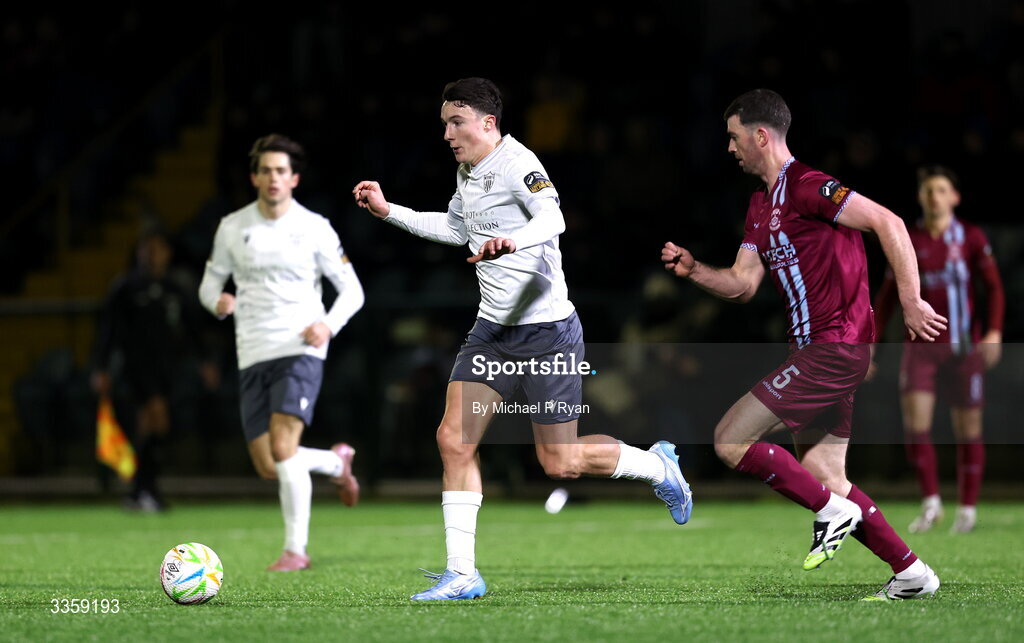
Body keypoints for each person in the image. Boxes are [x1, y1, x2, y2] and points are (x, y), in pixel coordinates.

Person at [353, 77, 693, 601]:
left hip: (548, 333)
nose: (447, 133)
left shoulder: (518, 163)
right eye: (445, 123)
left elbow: (552, 217)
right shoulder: (468, 170)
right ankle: (462, 573)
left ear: (488, 123)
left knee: (560, 463)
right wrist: (389, 211)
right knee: (453, 439)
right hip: (492, 332)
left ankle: (656, 465)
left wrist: (515, 238)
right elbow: (455, 228)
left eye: (456, 122)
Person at [661, 89, 948, 601]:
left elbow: (890, 222)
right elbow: (743, 284)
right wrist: (694, 270)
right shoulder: (759, 205)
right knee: (825, 475)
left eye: (733, 137)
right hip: (816, 352)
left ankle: (832, 514)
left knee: (730, 441)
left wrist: (911, 301)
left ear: (760, 135)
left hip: (834, 347)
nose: (729, 148)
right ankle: (912, 574)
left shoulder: (810, 187)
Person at [199, 133, 365, 571]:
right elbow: (209, 283)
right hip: (252, 351)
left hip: (300, 348)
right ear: (254, 177)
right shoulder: (233, 228)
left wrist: (327, 324)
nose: (274, 178)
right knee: (270, 465)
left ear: (294, 179)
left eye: (281, 171)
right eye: (266, 171)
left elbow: (352, 292)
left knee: (283, 445)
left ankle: (296, 550)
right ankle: (334, 462)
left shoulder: (314, 227)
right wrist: (216, 302)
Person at [872, 165, 1004, 534]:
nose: (934, 197)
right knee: (916, 426)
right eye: (928, 190)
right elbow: (885, 299)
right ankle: (931, 503)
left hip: (963, 349)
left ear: (955, 197)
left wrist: (993, 332)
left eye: (941, 190)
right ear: (920, 197)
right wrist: (872, 346)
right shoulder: (907, 240)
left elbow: (993, 288)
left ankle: (967, 509)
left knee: (968, 429)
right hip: (921, 350)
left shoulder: (972, 238)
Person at [93, 229, 216, 512]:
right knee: (155, 418)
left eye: (157, 249)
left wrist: (205, 361)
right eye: (146, 249)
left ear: (167, 254)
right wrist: (101, 367)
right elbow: (107, 331)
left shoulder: (175, 289)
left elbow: (193, 329)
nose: (152, 255)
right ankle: (147, 490)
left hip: (167, 367)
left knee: (152, 426)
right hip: (135, 368)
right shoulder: (125, 288)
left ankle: (140, 491)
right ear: (138, 253)